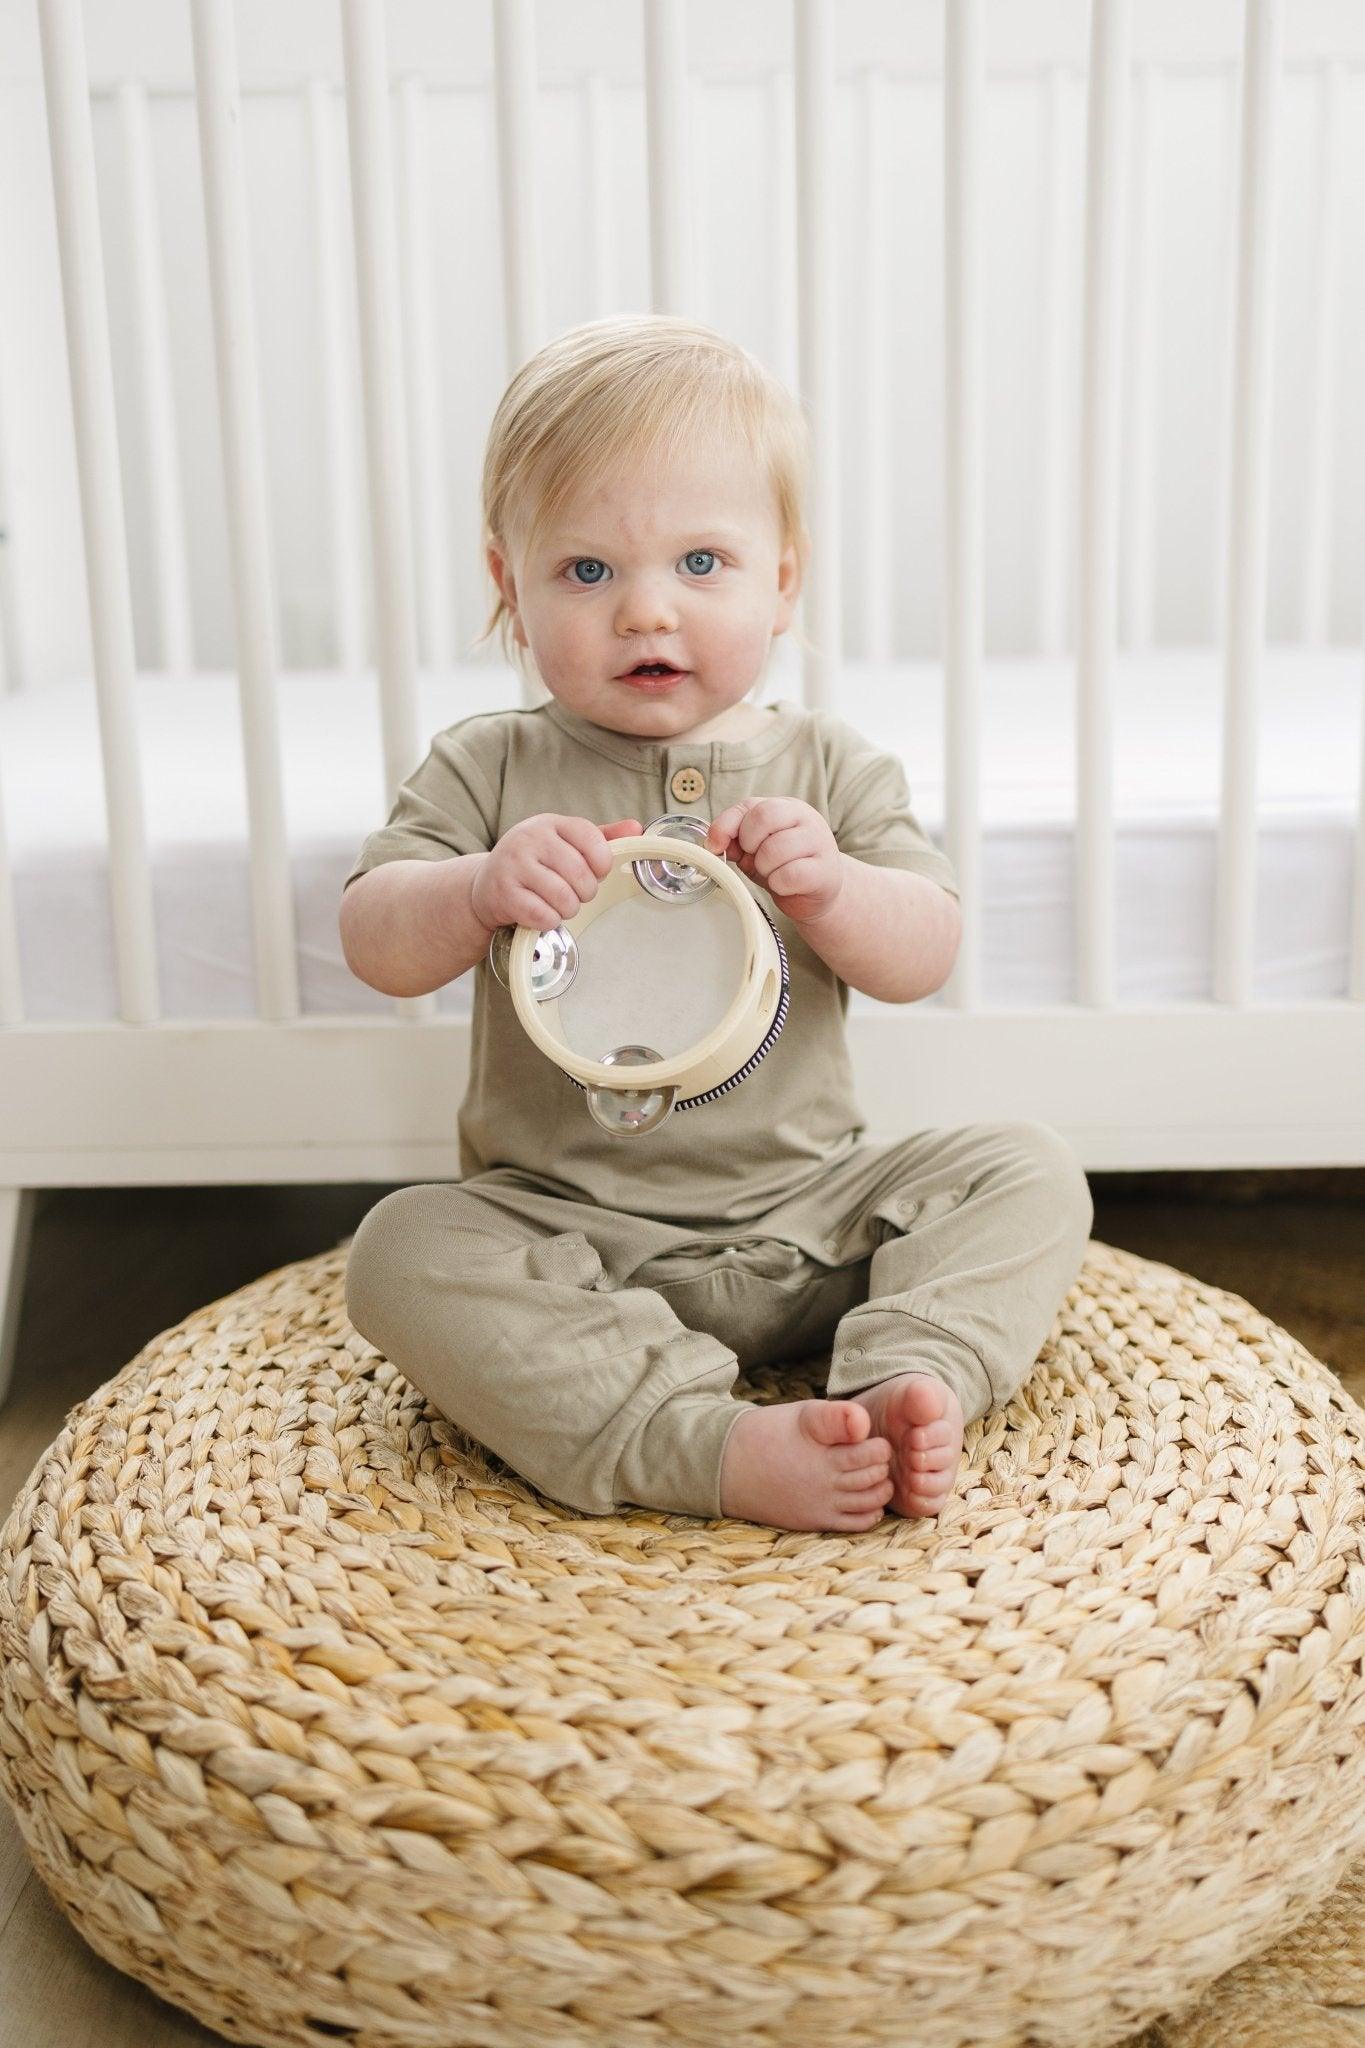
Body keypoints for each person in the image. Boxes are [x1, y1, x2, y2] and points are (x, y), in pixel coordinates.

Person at [339, 312, 1093, 1531]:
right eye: (588, 571)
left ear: (781, 577)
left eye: (701, 564)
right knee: (399, 1249)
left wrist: (835, 887)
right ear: (508, 584)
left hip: (815, 1222)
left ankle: (910, 1369)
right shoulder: (491, 766)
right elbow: (374, 937)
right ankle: (699, 1440)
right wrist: (476, 887)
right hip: (572, 1233)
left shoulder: (828, 764)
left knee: (1027, 1169)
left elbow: (927, 949)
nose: (647, 611)